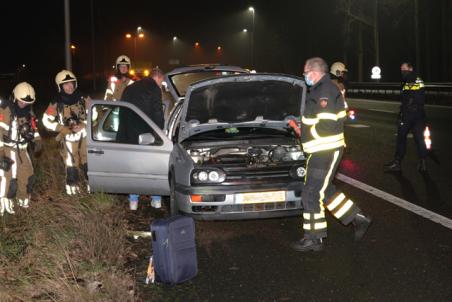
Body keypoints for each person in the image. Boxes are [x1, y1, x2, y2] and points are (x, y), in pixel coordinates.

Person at [290, 57, 372, 252]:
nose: (304, 76)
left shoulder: (325, 90)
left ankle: (313, 239)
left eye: (305, 73)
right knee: (324, 190)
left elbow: (327, 125)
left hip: (324, 149)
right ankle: (357, 218)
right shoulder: (319, 89)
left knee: (311, 193)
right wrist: (303, 130)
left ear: (314, 72)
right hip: (320, 149)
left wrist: (307, 133)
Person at [117, 67, 165, 209]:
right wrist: (160, 132)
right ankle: (156, 200)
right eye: (161, 82)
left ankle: (133, 201)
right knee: (152, 167)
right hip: (147, 136)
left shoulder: (130, 88)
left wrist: (123, 135)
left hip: (129, 136)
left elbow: (122, 112)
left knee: (134, 168)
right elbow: (157, 112)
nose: (161, 85)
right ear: (158, 78)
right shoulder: (154, 89)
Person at [42, 70, 89, 195]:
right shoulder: (56, 102)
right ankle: (73, 187)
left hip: (84, 136)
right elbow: (46, 120)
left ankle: (90, 183)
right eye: (66, 84)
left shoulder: (83, 98)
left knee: (87, 159)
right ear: (60, 86)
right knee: (71, 162)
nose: (70, 86)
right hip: (68, 139)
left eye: (71, 83)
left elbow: (95, 113)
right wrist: (62, 128)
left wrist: (84, 124)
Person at [0, 82, 41, 216]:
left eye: (26, 102)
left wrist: (37, 140)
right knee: (8, 177)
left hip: (23, 149)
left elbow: (33, 128)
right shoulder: (6, 110)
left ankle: (22, 198)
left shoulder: (29, 112)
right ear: (15, 97)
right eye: (21, 101)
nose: (24, 104)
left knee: (28, 174)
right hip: (8, 148)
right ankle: (4, 200)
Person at [385, 62, 428, 173]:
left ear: (410, 68)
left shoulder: (410, 79)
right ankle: (422, 162)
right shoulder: (418, 80)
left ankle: (397, 163)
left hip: (409, 115)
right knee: (419, 139)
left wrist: (404, 111)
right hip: (419, 114)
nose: (402, 71)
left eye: (404, 69)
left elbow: (409, 98)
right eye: (401, 69)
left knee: (401, 138)